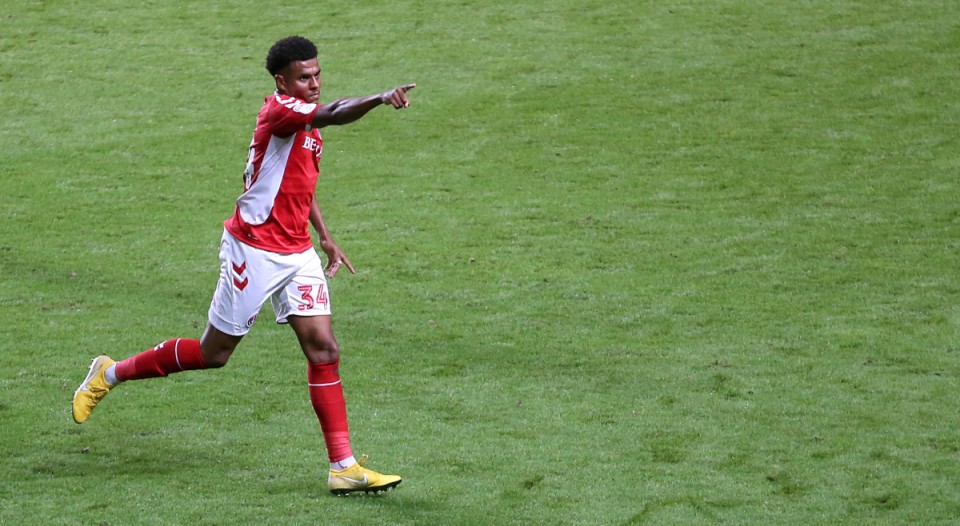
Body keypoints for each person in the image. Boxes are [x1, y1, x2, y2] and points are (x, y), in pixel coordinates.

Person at [72, 35, 414, 496]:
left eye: (317, 74)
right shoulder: (282, 112)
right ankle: (109, 373)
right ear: (282, 81)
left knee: (324, 349)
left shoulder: (303, 121)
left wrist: (324, 236)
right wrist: (379, 98)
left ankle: (343, 466)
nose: (314, 83)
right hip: (253, 249)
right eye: (304, 77)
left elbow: (299, 183)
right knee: (214, 354)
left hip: (297, 252)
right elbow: (334, 112)